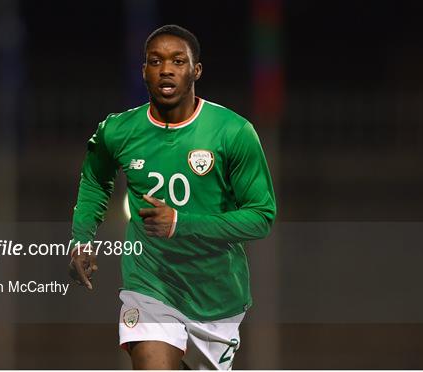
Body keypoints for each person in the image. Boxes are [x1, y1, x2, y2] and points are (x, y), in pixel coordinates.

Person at [68, 24, 276, 370]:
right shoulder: (118, 131)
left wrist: (182, 222)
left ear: (196, 70)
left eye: (178, 61)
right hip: (150, 285)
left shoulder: (233, 132)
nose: (166, 68)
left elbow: (262, 216)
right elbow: (95, 179)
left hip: (217, 297)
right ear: (144, 71)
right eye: (156, 61)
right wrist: (81, 240)